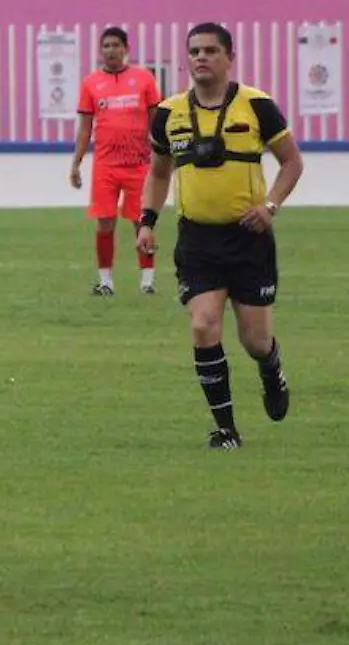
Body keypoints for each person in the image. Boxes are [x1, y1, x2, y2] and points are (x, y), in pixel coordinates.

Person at [137, 22, 305, 450]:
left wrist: (269, 207)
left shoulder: (258, 106)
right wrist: (147, 221)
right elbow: (158, 173)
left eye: (211, 50)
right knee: (203, 324)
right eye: (194, 51)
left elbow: (291, 163)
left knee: (254, 340)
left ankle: (271, 367)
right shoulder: (167, 113)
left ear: (230, 57)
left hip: (248, 240)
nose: (201, 58)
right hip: (197, 242)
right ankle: (226, 429)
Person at [70, 26, 164, 296]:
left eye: (115, 45)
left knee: (141, 222)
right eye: (106, 46)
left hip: (138, 164)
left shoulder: (144, 79)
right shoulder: (91, 83)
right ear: (101, 51)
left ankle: (147, 283)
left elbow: (156, 121)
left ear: (126, 49)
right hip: (105, 165)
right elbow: (85, 128)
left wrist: (162, 153)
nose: (111, 50)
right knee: (104, 222)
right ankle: (106, 282)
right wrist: (76, 163)